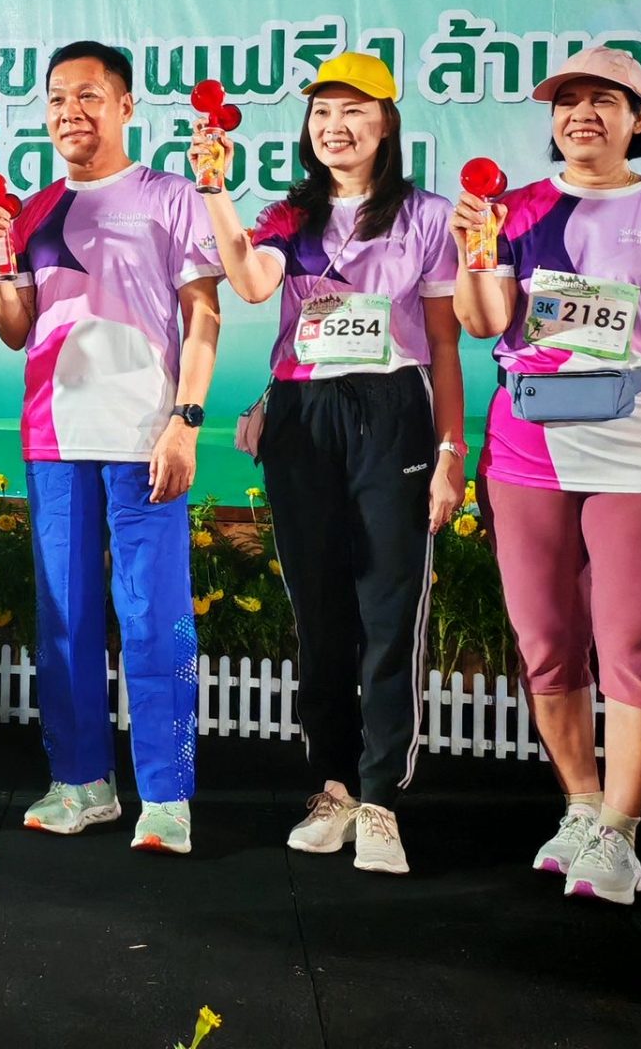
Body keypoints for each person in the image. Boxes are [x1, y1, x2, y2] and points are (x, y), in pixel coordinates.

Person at [446, 47, 641, 904]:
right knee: (545, 640)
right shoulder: (515, 209)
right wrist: (476, 250)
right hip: (526, 446)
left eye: (605, 100)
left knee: (633, 645)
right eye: (567, 101)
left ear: (638, 119)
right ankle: (579, 805)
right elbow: (481, 323)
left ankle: (620, 832)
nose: (583, 114)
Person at [193, 50, 464, 875]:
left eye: (353, 111)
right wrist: (215, 189)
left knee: (388, 605)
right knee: (318, 608)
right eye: (321, 113)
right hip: (303, 414)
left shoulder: (426, 216)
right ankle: (335, 787)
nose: (335, 127)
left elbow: (445, 343)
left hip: (392, 411)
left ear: (387, 123)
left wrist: (450, 450)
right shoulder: (289, 213)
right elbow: (250, 282)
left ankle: (381, 798)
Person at [0, 42, 220, 853]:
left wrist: (186, 419)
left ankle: (167, 794)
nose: (68, 112)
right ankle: (82, 783)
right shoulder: (34, 210)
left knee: (154, 617)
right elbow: (15, 329)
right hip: (53, 437)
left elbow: (205, 315)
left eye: (87, 95)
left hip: (146, 434)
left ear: (124, 106)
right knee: (67, 620)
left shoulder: (170, 196)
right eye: (55, 98)